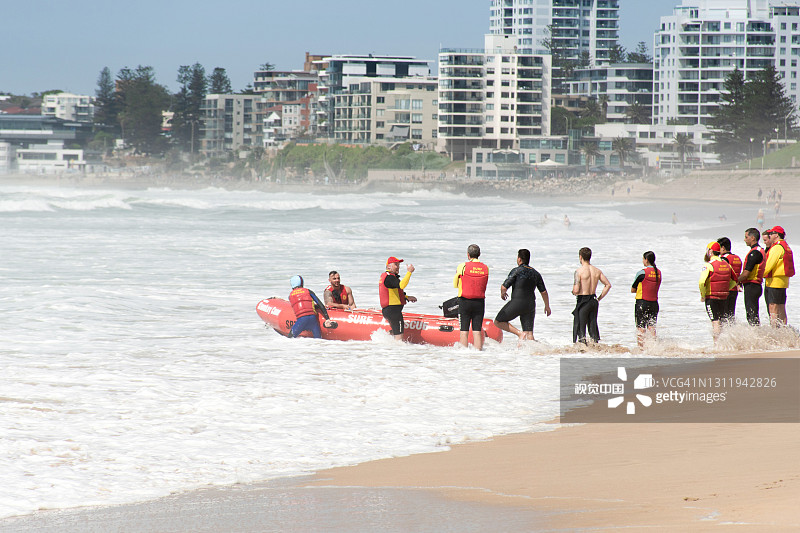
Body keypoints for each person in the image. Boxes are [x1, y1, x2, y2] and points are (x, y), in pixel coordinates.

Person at [494, 249, 551, 341]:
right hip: (530, 305)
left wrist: (503, 294)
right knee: (529, 333)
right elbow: (543, 292)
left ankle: (519, 333)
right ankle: (534, 353)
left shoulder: (516, 271)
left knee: (498, 321)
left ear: (519, 259)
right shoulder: (536, 273)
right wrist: (547, 306)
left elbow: (504, 287)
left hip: (517, 303)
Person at [572, 247, 611, 344]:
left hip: (583, 300)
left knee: (581, 328)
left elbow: (576, 290)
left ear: (580, 257)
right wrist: (598, 298)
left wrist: (573, 292)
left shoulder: (579, 271)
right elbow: (608, 285)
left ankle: (582, 349)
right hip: (593, 300)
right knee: (593, 326)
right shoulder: (597, 271)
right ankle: (595, 347)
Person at [453, 244, 489, 350]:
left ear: (468, 255)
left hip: (465, 301)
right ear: (479, 254)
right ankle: (478, 354)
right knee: (477, 330)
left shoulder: (462, 266)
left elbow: (455, 284)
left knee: (464, 331)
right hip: (479, 302)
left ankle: (464, 356)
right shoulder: (485, 267)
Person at [699, 242, 733, 343]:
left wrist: (703, 294)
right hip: (723, 297)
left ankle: (717, 344)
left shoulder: (708, 265)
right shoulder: (727, 264)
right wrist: (726, 289)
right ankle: (723, 342)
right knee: (720, 321)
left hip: (711, 297)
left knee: (715, 321)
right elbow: (735, 280)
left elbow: (701, 282)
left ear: (710, 251)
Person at [763, 226, 794, 326]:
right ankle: (783, 329)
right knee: (781, 306)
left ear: (777, 235)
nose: (770, 235)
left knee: (773, 306)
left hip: (774, 281)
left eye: (771, 234)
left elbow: (769, 265)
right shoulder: (786, 246)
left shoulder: (777, 247)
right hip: (783, 282)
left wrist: (759, 276)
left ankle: (774, 330)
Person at [379, 256, 417, 340]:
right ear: (388, 266)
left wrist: (407, 297)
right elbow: (402, 285)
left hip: (389, 311)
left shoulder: (389, 277)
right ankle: (397, 352)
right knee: (399, 337)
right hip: (393, 311)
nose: (398, 267)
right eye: (395, 264)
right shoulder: (389, 277)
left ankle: (381, 339)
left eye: (398, 265)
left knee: (395, 331)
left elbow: (394, 293)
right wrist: (409, 272)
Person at [631, 251, 661, 347]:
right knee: (652, 328)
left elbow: (633, 289)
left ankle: (641, 349)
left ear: (646, 260)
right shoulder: (659, 273)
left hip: (642, 303)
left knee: (641, 328)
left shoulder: (642, 273)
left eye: (643, 259)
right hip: (654, 304)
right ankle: (654, 347)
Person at [738, 227, 765, 326]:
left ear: (752, 238)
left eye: (746, 237)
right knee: (753, 313)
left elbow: (746, 274)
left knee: (751, 314)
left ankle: (756, 336)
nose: (744, 239)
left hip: (752, 286)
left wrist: (734, 281)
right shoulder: (759, 250)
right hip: (755, 286)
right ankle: (756, 335)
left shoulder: (755, 252)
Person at [717, 237, 742, 325]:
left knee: (723, 317)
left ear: (723, 248)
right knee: (731, 315)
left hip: (726, 291)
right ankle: (732, 334)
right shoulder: (737, 258)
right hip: (734, 290)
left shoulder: (723, 259)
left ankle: (725, 337)